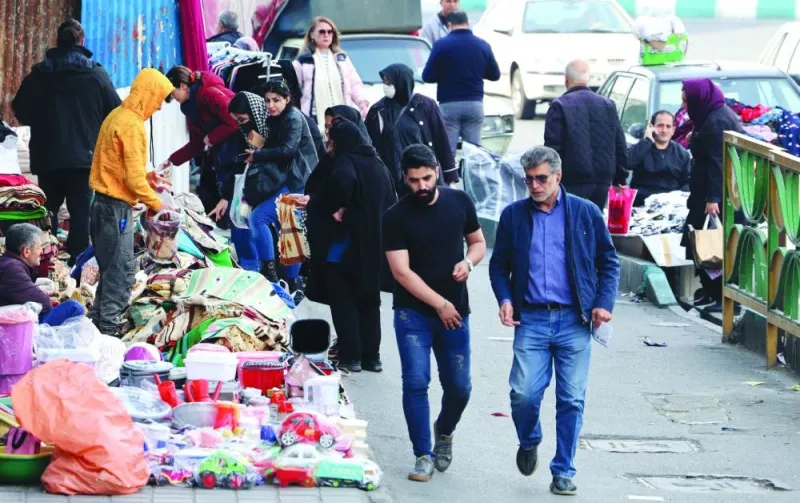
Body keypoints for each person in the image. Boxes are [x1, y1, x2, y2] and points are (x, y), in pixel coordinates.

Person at [488, 146, 620, 496]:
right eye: (529, 179)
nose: (534, 185)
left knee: (572, 398)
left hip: (574, 320)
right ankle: (529, 438)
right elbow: (499, 265)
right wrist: (504, 299)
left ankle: (563, 469)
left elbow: (609, 262)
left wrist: (604, 304)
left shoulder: (585, 213)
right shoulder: (514, 216)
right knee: (523, 394)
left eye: (541, 178)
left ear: (558, 177)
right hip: (529, 319)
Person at [383, 144, 486, 482]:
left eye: (426, 178)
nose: (421, 187)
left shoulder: (459, 203)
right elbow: (401, 272)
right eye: (414, 181)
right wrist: (439, 304)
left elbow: (478, 242)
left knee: (460, 387)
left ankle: (444, 430)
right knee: (415, 381)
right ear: (405, 178)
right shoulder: (395, 216)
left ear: (438, 172)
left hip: (456, 311)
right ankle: (422, 454)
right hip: (413, 312)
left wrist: (468, 262)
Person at [12, 19, 120, 265]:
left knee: (47, 211)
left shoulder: (39, 74)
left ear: (57, 41)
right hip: (84, 157)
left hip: (47, 156)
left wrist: (40, 124)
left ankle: (46, 262)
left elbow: (19, 107)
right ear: (82, 41)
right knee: (81, 214)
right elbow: (116, 110)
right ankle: (76, 267)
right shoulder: (96, 73)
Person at [304, 118, 396, 373]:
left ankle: (351, 356)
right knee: (369, 299)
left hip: (346, 244)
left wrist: (328, 206)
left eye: (331, 141)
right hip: (373, 244)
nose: (328, 146)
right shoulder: (377, 163)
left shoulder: (346, 163)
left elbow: (339, 187)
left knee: (342, 296)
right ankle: (372, 357)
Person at [89, 68, 173, 336]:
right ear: (148, 94)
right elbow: (134, 182)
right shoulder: (133, 125)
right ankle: (109, 336)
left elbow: (117, 167)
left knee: (110, 273)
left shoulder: (117, 116)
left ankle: (97, 330)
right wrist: (160, 206)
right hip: (115, 211)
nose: (159, 106)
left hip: (103, 206)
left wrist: (148, 177)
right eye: (159, 99)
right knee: (120, 276)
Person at [158, 66, 256, 270]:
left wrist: (212, 137)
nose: (173, 99)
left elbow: (233, 121)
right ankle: (246, 261)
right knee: (231, 211)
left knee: (239, 210)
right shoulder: (190, 106)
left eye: (173, 93)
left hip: (239, 156)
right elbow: (197, 143)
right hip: (222, 158)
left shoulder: (209, 93)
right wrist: (172, 160)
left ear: (184, 86)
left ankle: (252, 264)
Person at [227, 81, 317, 295]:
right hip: (285, 179)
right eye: (267, 100)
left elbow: (287, 149)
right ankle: (291, 284)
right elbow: (264, 143)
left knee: (259, 218)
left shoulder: (293, 118)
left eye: (276, 100)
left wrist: (257, 155)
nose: (271, 105)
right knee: (288, 230)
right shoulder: (273, 119)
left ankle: (271, 273)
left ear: (287, 99)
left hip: (296, 180)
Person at [680, 78, 743, 309]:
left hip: (715, 197)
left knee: (712, 246)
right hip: (704, 192)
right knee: (699, 243)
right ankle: (709, 291)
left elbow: (719, 164)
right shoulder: (709, 114)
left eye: (687, 100)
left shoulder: (717, 121)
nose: (684, 105)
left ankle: (721, 297)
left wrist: (712, 199)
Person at [544, 60, 628, 210]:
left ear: (566, 80)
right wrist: (620, 178)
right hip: (602, 181)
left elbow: (553, 149)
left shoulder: (559, 105)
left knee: (573, 225)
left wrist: (551, 180)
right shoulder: (607, 104)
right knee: (593, 224)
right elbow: (620, 145)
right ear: (587, 79)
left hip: (572, 181)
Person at [366, 63, 458, 191]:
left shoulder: (425, 105)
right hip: (394, 175)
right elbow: (370, 144)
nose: (385, 86)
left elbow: (440, 139)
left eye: (389, 82)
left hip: (424, 170)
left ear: (401, 81)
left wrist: (450, 175)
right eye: (384, 82)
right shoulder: (378, 110)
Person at [422, 11, 500, 152]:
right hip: (474, 103)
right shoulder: (482, 45)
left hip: (449, 105)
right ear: (468, 24)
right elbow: (495, 75)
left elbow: (427, 76)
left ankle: (450, 175)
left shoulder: (441, 45)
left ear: (450, 25)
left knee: (447, 151)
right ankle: (472, 174)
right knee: (474, 153)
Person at [292, 17, 370, 134]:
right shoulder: (302, 61)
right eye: (322, 32)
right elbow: (293, 90)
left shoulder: (341, 59)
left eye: (330, 32)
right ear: (312, 35)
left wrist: (362, 102)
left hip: (342, 117)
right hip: (313, 119)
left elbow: (354, 84)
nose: (326, 35)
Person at [0, 224, 85, 326]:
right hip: (12, 329)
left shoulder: (8, 263)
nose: (41, 251)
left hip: (11, 321)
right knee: (74, 307)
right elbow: (45, 304)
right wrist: (44, 297)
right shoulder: (12, 268)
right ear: (26, 251)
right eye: (39, 247)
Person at [627, 110, 691, 206]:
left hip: (669, 206)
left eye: (668, 126)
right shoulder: (641, 148)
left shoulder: (682, 154)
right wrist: (647, 140)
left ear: (673, 130)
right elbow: (628, 162)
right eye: (660, 125)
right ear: (651, 127)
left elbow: (688, 182)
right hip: (641, 204)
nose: (664, 130)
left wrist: (675, 198)